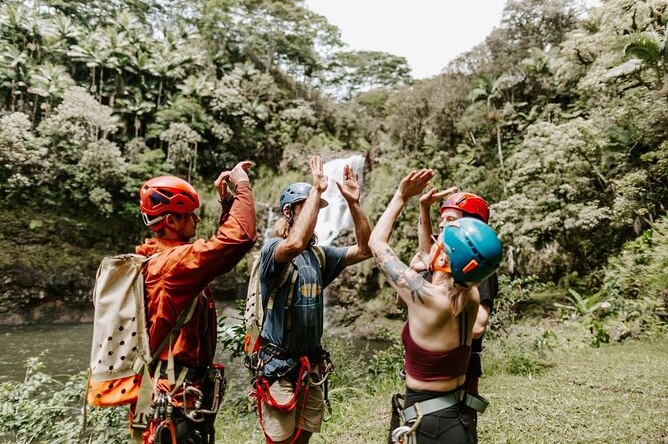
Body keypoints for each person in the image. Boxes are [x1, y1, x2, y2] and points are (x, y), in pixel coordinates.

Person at [368, 169, 502, 444]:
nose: (437, 241)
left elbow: (376, 243)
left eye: (443, 239)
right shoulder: (470, 295)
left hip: (426, 422)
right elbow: (441, 265)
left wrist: (400, 196)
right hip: (456, 419)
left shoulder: (426, 298)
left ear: (446, 256)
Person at [253, 155, 372, 444]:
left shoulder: (320, 256)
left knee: (303, 437)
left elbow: (365, 250)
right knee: (279, 439)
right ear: (288, 211)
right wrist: (316, 191)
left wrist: (354, 203)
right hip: (277, 366)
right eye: (307, 208)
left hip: (311, 364)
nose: (315, 213)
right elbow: (293, 243)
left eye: (316, 209)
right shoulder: (273, 250)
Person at [135, 161, 257, 444]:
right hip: (177, 399)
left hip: (175, 392)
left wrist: (227, 205)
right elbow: (236, 240)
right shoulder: (174, 264)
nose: (198, 221)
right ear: (171, 221)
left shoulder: (159, 257)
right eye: (190, 215)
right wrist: (242, 187)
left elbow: (214, 252)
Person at [411, 190, 499, 439]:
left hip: (457, 372)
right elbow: (425, 250)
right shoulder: (444, 265)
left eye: (449, 219)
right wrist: (423, 208)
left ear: (471, 225)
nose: (441, 225)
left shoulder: (477, 268)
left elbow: (478, 325)